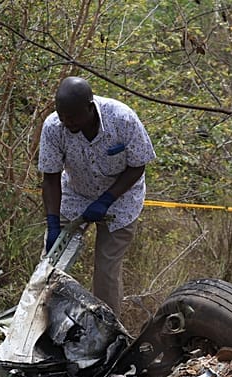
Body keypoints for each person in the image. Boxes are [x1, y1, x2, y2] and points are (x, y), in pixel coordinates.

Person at [39, 76, 156, 317]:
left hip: (121, 197)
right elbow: (50, 177)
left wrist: (106, 200)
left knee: (106, 270)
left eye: (72, 117)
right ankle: (44, 322)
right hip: (75, 193)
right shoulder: (54, 127)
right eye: (62, 116)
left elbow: (138, 165)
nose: (66, 122)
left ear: (90, 108)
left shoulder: (122, 119)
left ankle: (108, 329)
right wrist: (52, 223)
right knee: (51, 262)